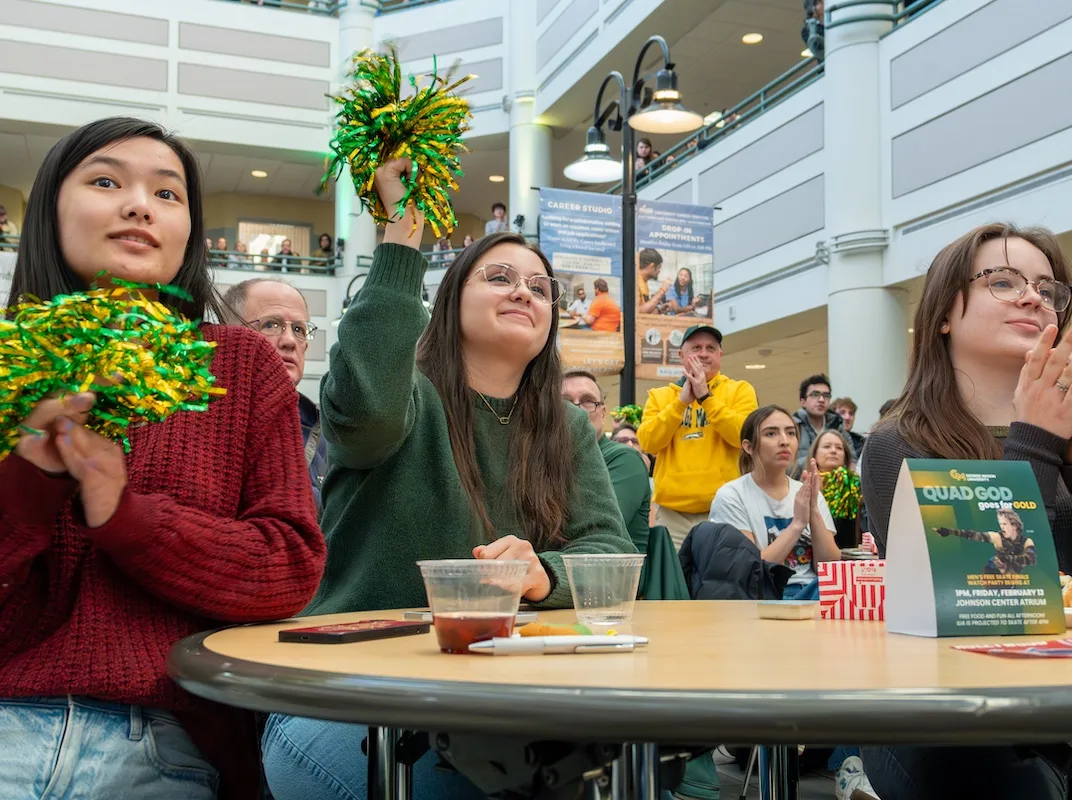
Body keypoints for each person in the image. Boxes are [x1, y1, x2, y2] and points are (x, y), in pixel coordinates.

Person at [260, 158, 634, 800]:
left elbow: (611, 554)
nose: (524, 292)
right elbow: (366, 410)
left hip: (493, 704)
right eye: (499, 277)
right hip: (341, 690)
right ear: (449, 299)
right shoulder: (405, 396)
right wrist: (401, 247)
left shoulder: (568, 428)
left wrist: (544, 573)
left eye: (541, 288)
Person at [0, 116, 325, 799]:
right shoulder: (10, 366)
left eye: (167, 193)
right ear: (51, 209)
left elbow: (288, 566)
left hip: (166, 743)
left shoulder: (241, 366)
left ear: (188, 232)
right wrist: (29, 484)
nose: (139, 204)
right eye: (106, 181)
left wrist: (126, 518)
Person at [858, 222, 1072, 800]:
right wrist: (1036, 438)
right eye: (1002, 281)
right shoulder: (901, 440)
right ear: (944, 311)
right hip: (946, 712)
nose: (1033, 297)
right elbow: (981, 595)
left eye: (1046, 287)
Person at [638, 324, 759, 549]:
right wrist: (680, 402)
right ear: (681, 356)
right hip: (672, 513)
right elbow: (648, 442)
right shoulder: (660, 396)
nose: (703, 353)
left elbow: (744, 437)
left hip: (726, 508)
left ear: (720, 355)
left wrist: (706, 397)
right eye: (696, 348)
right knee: (674, 581)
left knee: (723, 579)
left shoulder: (740, 390)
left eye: (710, 348)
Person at [709, 406, 840, 599]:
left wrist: (813, 511)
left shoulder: (806, 492)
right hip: (765, 593)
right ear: (748, 446)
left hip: (813, 590)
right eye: (771, 433)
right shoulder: (732, 495)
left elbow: (829, 565)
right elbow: (753, 570)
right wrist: (797, 525)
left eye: (791, 433)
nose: (784, 441)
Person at [225, 277, 328, 510]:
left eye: (299, 329)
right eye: (271, 325)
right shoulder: (198, 425)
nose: (290, 341)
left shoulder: (328, 436)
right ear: (229, 334)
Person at [562, 370, 652, 551]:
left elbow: (599, 529)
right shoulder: (543, 459)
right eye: (565, 402)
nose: (577, 410)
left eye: (587, 401)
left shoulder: (625, 459)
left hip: (609, 574)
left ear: (603, 413)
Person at [935, 509, 1036, 574]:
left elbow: (1031, 559)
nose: (1001, 527)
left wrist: (1007, 558)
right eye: (1000, 524)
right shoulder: (997, 537)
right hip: (993, 577)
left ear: (1015, 525)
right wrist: (950, 531)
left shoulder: (1026, 541)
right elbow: (974, 535)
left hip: (1013, 582)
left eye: (1004, 524)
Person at [810, 429, 862, 549]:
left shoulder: (855, 485)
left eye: (839, 448)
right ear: (815, 454)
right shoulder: (803, 484)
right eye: (827, 446)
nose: (833, 451)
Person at [792, 373, 845, 473]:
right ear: (803, 402)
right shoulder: (793, 428)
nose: (821, 400)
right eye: (815, 395)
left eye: (826, 395)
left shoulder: (838, 426)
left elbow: (851, 462)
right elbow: (788, 465)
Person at [832, 397, 866, 462]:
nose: (847, 417)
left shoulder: (861, 442)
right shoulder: (823, 439)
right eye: (842, 412)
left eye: (851, 414)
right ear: (832, 415)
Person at [637, 248, 668, 313]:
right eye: (659, 267)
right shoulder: (635, 282)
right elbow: (638, 312)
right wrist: (662, 290)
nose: (659, 271)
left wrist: (659, 310)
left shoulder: (644, 282)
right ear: (652, 266)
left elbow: (645, 312)